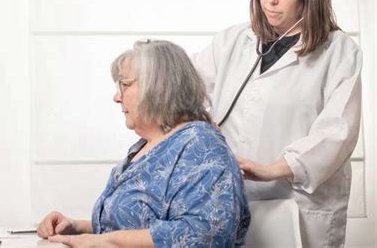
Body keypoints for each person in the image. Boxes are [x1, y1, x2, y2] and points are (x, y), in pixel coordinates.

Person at [193, 0, 362, 247]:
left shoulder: (339, 52)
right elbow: (190, 93)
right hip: (231, 200)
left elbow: (336, 133)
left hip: (299, 206)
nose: (270, 0)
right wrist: (200, 122)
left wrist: (273, 169)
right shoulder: (231, 41)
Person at [37, 40, 250, 247]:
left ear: (158, 87)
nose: (116, 97)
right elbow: (135, 225)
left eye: (125, 85)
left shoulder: (202, 146)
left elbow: (204, 234)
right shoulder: (145, 147)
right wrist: (78, 227)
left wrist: (106, 241)